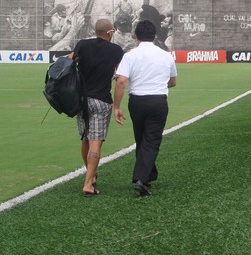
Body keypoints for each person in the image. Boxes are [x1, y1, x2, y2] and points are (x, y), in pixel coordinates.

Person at [113, 20, 177, 196]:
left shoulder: (130, 55)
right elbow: (172, 82)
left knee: (142, 138)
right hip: (158, 100)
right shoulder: (166, 55)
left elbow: (121, 81)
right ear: (155, 36)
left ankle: (148, 174)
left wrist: (116, 106)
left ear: (136, 37)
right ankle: (141, 179)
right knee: (151, 140)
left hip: (137, 101)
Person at [70, 19, 124, 197]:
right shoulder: (116, 50)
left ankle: (91, 175)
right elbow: (119, 74)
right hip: (101, 101)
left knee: (85, 139)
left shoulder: (83, 45)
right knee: (96, 142)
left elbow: (70, 61)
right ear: (109, 33)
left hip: (82, 100)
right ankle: (88, 184)